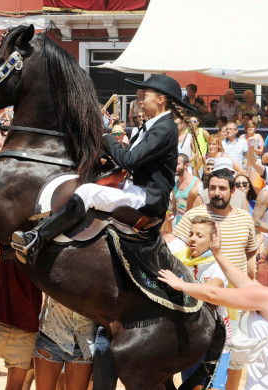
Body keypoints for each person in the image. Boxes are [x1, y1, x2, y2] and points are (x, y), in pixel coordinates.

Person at [12, 74, 197, 260]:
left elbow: (130, 160)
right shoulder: (153, 125)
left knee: (86, 192)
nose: (139, 100)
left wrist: (106, 138)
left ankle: (36, 239)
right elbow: (133, 157)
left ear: (160, 99)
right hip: (137, 188)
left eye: (144, 95)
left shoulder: (164, 128)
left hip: (147, 197)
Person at [158, 235, 268, 390]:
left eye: (259, 258)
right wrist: (218, 254)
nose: (256, 262)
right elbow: (243, 283)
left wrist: (181, 285)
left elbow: (214, 295)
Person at [172, 217, 232, 390]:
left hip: (217, 339)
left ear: (212, 240)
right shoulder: (179, 259)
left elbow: (212, 291)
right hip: (190, 337)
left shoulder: (219, 263)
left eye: (199, 235)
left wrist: (180, 285)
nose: (192, 238)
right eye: (191, 234)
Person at [172, 153, 200, 226]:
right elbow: (174, 209)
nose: (174, 167)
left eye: (177, 164)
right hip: (178, 227)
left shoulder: (196, 183)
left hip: (192, 226)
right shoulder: (174, 185)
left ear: (186, 165)